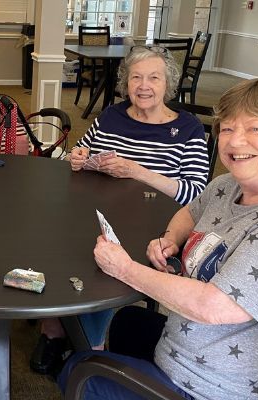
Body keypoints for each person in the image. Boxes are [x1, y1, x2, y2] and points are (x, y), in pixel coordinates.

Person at [57, 76, 258, 399]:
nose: (236, 141)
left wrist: (125, 269)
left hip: (223, 389)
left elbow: (215, 307)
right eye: (227, 128)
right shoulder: (229, 186)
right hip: (195, 348)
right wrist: (172, 238)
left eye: (255, 129)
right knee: (129, 322)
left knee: (79, 370)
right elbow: (190, 212)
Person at [31, 45, 210, 375]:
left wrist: (136, 171)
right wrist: (78, 158)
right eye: (136, 77)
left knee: (103, 260)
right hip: (95, 210)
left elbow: (196, 194)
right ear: (126, 82)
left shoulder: (188, 129)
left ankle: (91, 346)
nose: (144, 86)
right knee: (52, 240)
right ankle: (53, 328)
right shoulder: (111, 116)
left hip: (155, 225)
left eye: (154, 78)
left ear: (167, 83)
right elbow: (82, 151)